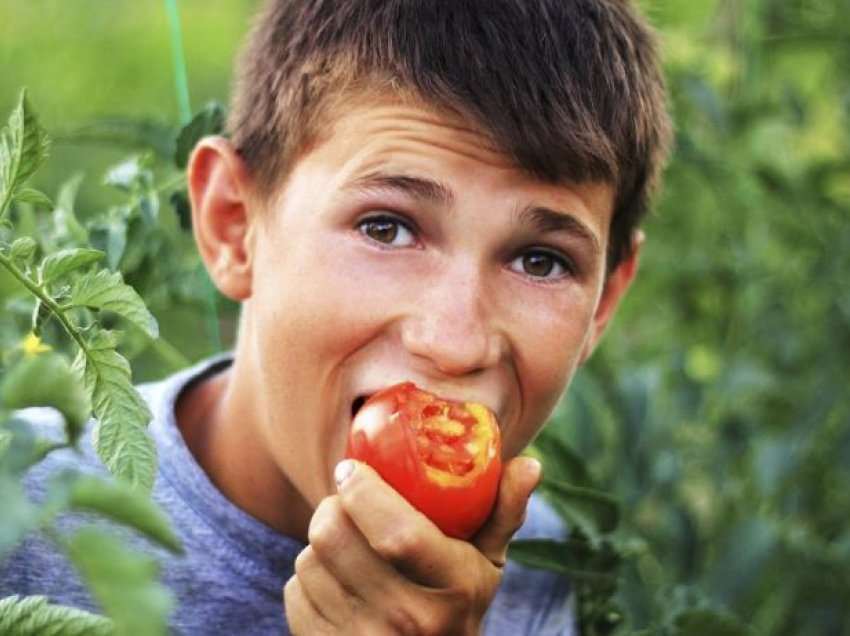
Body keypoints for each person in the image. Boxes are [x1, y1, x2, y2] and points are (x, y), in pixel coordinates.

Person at [1, 0, 671, 633]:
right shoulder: (20, 503)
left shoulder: (546, 572)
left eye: (541, 261)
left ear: (604, 303)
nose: (455, 342)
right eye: (386, 227)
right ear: (234, 226)